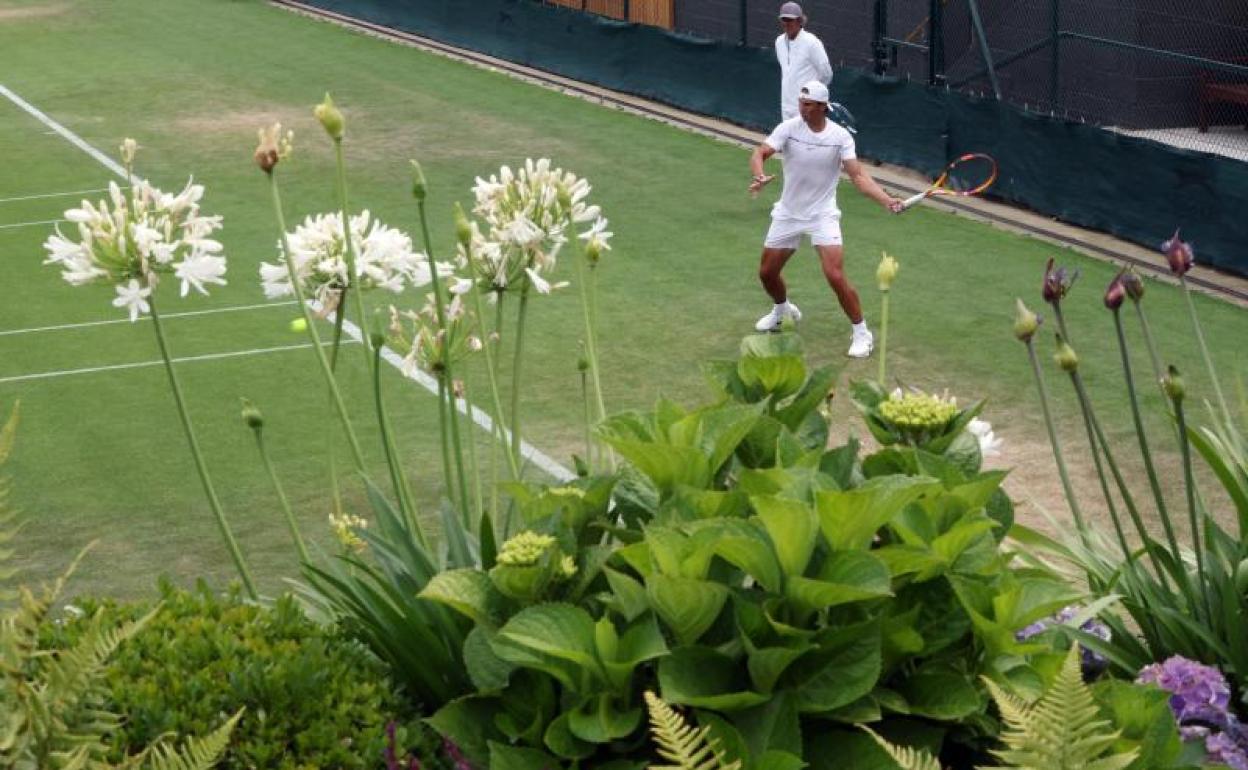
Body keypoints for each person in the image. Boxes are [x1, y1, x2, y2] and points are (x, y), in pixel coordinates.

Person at [748, 81, 902, 358]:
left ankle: (861, 333)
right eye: (801, 103)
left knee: (833, 274)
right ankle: (782, 310)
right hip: (789, 212)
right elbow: (760, 152)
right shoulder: (789, 128)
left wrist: (886, 199)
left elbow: (858, 176)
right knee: (766, 273)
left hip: (822, 214)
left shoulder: (840, 137)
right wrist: (759, 175)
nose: (802, 108)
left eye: (808, 104)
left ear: (822, 107)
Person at [775, 2, 832, 121]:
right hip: (786, 106)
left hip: (807, 108)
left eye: (790, 19)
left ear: (800, 21)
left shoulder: (812, 42)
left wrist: (813, 96)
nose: (786, 23)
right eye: (783, 19)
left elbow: (826, 74)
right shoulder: (779, 42)